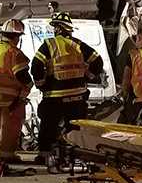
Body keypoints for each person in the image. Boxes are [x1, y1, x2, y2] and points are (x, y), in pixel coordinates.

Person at [31, 9, 104, 172]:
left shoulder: (49, 45)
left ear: (57, 28)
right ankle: (75, 156)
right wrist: (88, 76)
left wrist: (41, 83)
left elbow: (36, 65)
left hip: (54, 97)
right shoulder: (79, 45)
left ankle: (44, 155)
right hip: (77, 97)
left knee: (48, 127)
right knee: (75, 129)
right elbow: (98, 62)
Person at [0, 19, 32, 162]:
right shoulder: (14, 53)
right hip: (11, 99)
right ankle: (7, 155)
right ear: (16, 37)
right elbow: (23, 76)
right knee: (11, 127)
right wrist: (27, 89)